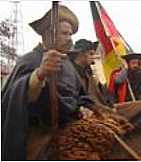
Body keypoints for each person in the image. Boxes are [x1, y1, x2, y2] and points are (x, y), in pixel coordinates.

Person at [1, 5, 94, 160]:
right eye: (64, 33)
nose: (70, 38)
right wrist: (40, 73)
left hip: (71, 128)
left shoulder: (68, 64)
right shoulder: (29, 60)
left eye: (70, 34)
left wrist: (84, 107)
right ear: (47, 34)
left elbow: (80, 95)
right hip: (39, 134)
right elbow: (13, 96)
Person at [68, 39, 114, 106]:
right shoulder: (70, 73)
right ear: (81, 54)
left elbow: (102, 95)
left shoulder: (89, 73)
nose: (93, 57)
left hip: (102, 108)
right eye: (91, 54)